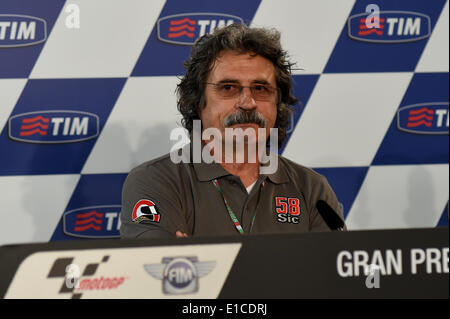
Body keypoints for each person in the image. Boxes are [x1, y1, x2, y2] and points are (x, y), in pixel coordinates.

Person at [120, 24, 346, 239]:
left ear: (278, 103)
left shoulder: (311, 188)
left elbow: (331, 273)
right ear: (197, 102)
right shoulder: (157, 181)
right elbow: (166, 272)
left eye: (260, 88)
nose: (247, 103)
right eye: (228, 88)